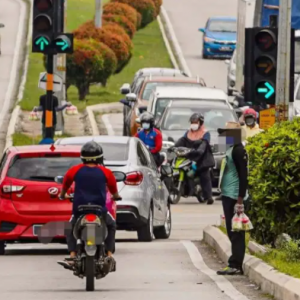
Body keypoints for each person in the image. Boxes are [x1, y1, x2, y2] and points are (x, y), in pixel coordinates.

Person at [58, 141, 122, 266]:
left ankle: (72, 255)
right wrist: (116, 196)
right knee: (111, 225)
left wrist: (62, 195)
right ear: (100, 157)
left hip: (79, 210)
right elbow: (114, 191)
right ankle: (109, 254)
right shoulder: (106, 172)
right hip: (99, 210)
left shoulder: (74, 170)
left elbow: (65, 185)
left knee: (69, 228)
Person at [217, 122, 248, 275]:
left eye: (227, 133)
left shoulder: (238, 151)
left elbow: (244, 176)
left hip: (235, 196)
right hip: (228, 194)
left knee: (236, 232)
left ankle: (236, 264)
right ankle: (234, 262)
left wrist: (240, 200)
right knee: (231, 230)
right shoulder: (231, 150)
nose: (224, 136)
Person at [175, 113, 215, 204]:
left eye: (195, 122)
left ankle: (209, 196)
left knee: (204, 174)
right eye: (192, 122)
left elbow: (204, 144)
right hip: (189, 156)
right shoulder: (188, 132)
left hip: (202, 158)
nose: (193, 124)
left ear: (200, 123)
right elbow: (182, 140)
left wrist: (199, 150)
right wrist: (174, 147)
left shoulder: (205, 133)